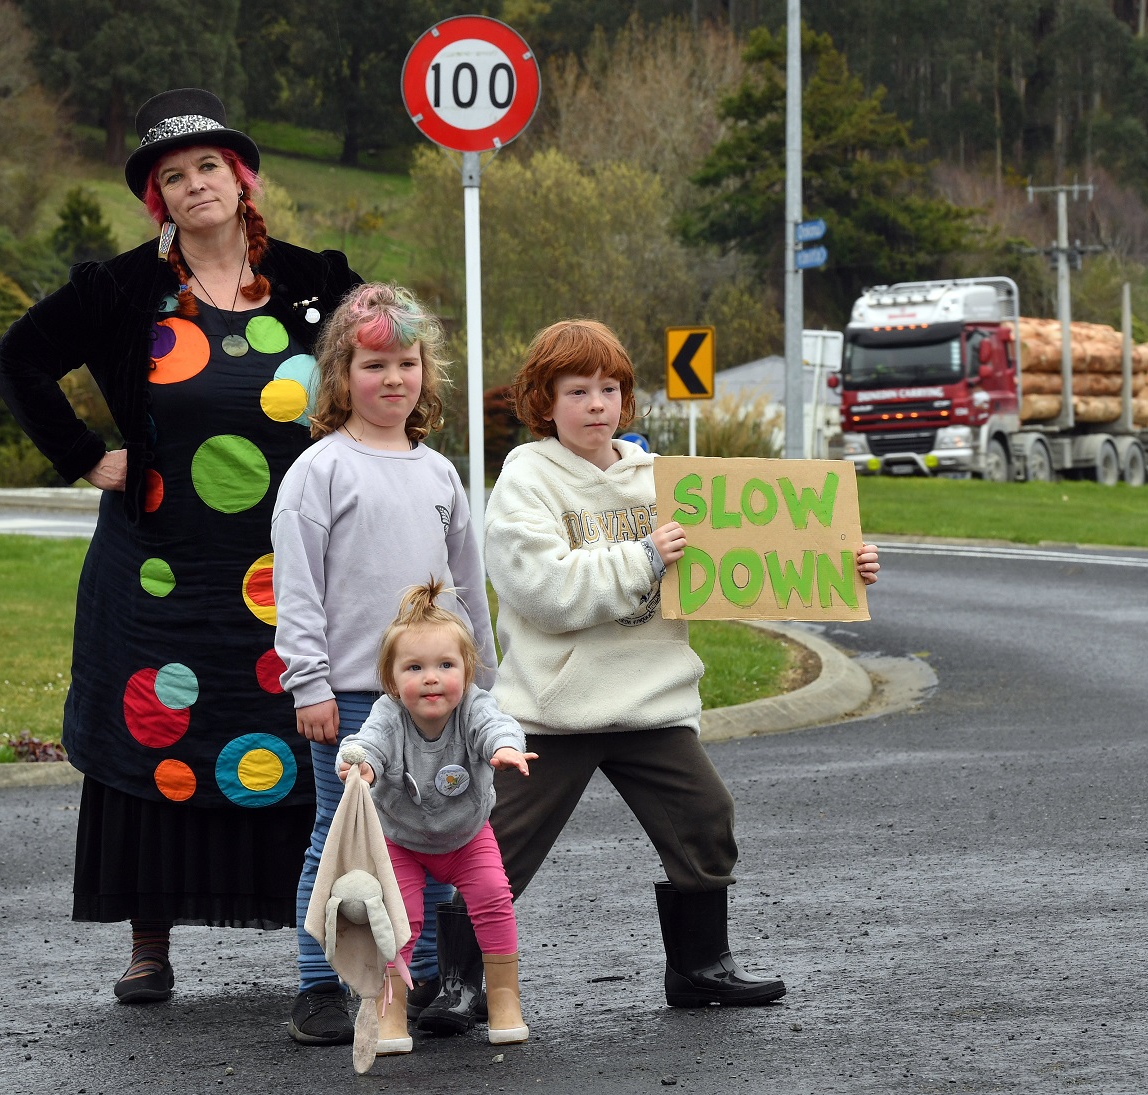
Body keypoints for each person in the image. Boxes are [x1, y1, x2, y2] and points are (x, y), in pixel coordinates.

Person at [0, 89, 361, 1007]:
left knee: (300, 728)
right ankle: (148, 945)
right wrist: (84, 457)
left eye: (209, 167)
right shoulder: (120, 289)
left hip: (291, 566)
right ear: (157, 199)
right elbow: (18, 361)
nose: (195, 185)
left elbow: (387, 363)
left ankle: (324, 948)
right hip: (160, 570)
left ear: (243, 179)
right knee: (157, 728)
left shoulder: (320, 282)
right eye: (172, 175)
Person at [419, 319, 880, 1028]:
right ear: (544, 401)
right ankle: (463, 982)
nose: (597, 404)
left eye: (610, 389)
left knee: (706, 818)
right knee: (496, 843)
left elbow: (744, 562)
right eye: (578, 391)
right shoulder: (525, 482)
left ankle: (700, 968)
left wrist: (834, 564)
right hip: (554, 709)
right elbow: (543, 589)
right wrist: (644, 558)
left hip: (652, 704)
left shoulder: (662, 481)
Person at [270, 283, 497, 1046]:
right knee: (336, 839)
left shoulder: (440, 474)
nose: (393, 378)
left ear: (424, 374)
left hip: (435, 696)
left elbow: (465, 586)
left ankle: (419, 976)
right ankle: (315, 984)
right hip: (352, 698)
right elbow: (295, 585)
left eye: (407, 362)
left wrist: (482, 681)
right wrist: (309, 681)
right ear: (340, 375)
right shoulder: (319, 470)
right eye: (374, 364)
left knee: (427, 837)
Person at [335, 580, 536, 1052]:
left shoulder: (474, 707)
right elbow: (368, 743)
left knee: (492, 897)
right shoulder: (389, 714)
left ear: (467, 671)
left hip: (467, 836)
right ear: (391, 680)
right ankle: (389, 1012)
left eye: (445, 665)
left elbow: (497, 725)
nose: (431, 677)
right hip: (400, 840)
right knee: (397, 920)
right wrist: (360, 764)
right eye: (415, 667)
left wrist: (506, 749)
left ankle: (505, 1000)